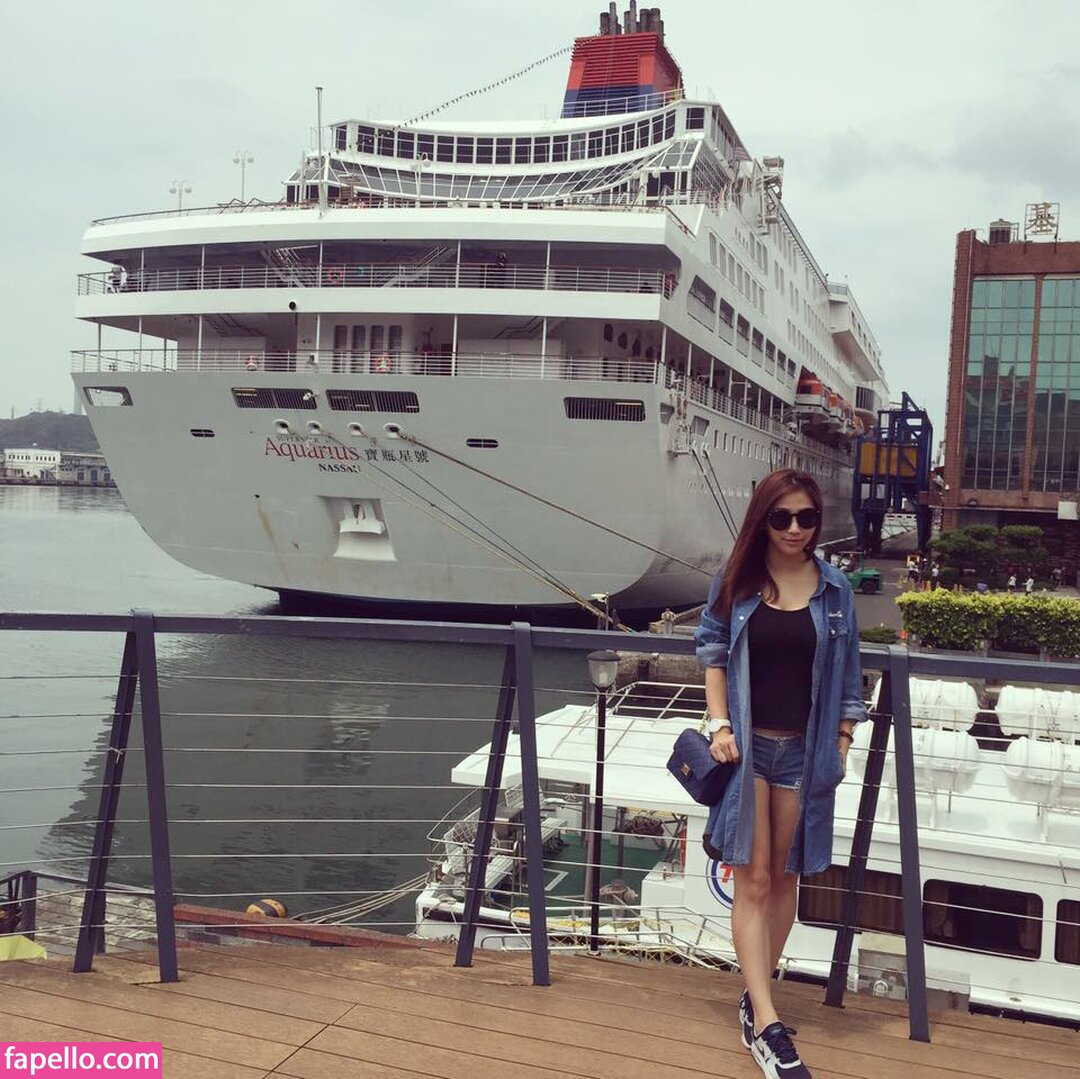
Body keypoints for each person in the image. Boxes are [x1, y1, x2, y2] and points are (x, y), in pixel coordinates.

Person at [695, 468, 866, 1079]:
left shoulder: (835, 589)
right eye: (782, 517)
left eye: (806, 518)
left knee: (787, 877)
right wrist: (720, 726)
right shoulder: (736, 581)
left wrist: (842, 741)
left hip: (804, 752)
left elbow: (850, 676)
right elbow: (712, 654)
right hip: (746, 752)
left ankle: (755, 996)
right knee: (755, 877)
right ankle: (767, 1024)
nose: (795, 529)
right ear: (762, 519)